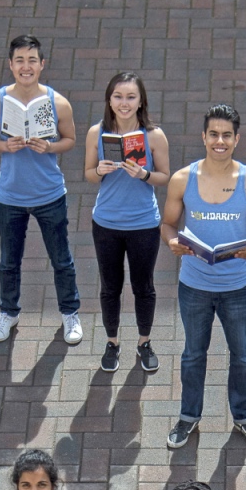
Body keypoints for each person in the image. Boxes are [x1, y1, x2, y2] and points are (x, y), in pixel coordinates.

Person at [161, 104, 246, 451]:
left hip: (238, 286)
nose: (219, 141)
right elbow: (167, 223)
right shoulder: (183, 179)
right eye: (213, 134)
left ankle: (244, 418)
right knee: (193, 354)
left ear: (237, 139)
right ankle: (188, 417)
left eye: (227, 135)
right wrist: (172, 241)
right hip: (194, 285)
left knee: (243, 355)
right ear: (203, 137)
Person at [0, 34, 81, 346]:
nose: (26, 67)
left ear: (42, 65)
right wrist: (4, 145)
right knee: (9, 260)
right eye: (20, 60)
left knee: (61, 259)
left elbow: (70, 140)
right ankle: (8, 312)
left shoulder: (57, 102)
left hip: (50, 194)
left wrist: (49, 147)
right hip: (10, 195)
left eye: (32, 60)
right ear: (10, 65)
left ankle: (70, 313)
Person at [84, 72, 171, 374]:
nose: (124, 103)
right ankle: (112, 342)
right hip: (106, 222)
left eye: (131, 97)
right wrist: (100, 169)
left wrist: (144, 174)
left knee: (143, 286)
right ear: (109, 99)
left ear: (141, 101)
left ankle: (144, 342)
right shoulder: (96, 132)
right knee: (110, 286)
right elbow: (88, 174)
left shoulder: (154, 136)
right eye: (118, 96)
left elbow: (165, 177)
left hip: (144, 224)